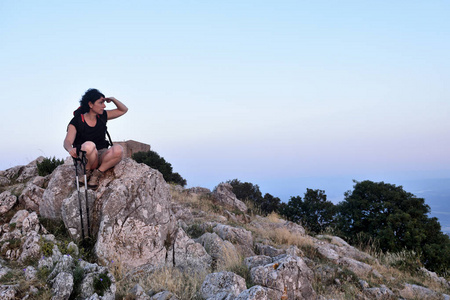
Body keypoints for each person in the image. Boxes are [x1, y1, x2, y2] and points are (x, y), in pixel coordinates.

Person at [63, 88, 128, 188]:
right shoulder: (77, 121)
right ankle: (86, 171)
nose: (104, 106)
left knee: (119, 149)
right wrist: (70, 149)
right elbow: (67, 141)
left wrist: (113, 99)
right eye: (101, 103)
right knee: (89, 145)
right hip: (87, 157)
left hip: (102, 155)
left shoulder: (102, 116)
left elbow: (123, 110)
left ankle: (97, 174)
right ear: (90, 104)